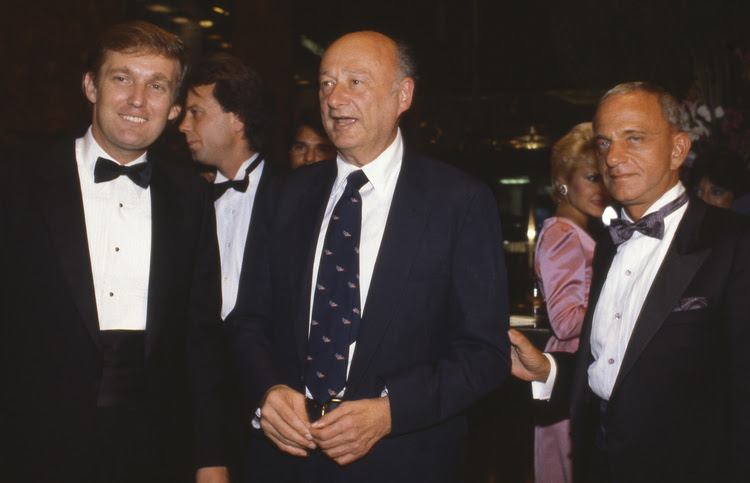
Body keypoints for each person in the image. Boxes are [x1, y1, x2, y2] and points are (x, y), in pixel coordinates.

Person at [226, 31, 510, 482]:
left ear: (404, 94)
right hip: (284, 461)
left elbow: (484, 352)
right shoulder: (283, 195)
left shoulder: (459, 201)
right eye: (325, 83)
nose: (335, 99)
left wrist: (391, 412)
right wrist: (266, 391)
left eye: (355, 82)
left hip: (405, 461)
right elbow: (249, 321)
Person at [0, 21, 229, 482]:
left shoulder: (193, 200)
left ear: (175, 107)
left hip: (153, 452)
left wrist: (211, 458)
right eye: (122, 78)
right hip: (28, 444)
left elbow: (200, 340)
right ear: (91, 86)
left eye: (157, 85)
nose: (138, 100)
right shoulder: (16, 180)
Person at [510, 82, 750, 481]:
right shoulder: (607, 242)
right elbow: (615, 362)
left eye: (634, 138)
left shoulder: (733, 241)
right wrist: (549, 370)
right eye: (604, 144)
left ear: (678, 149)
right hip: (596, 461)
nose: (614, 158)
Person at [534, 122, 608, 482]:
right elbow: (564, 320)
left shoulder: (576, 232)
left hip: (579, 371)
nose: (601, 189)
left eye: (604, 178)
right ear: (563, 182)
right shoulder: (562, 233)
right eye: (592, 178)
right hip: (570, 372)